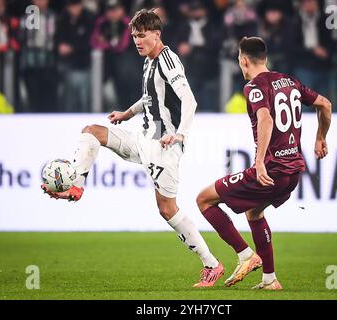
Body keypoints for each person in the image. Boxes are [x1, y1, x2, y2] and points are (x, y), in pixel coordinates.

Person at [42, 8, 224, 287]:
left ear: (156, 34)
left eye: (141, 36)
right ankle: (76, 184)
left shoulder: (168, 60)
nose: (137, 41)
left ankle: (211, 264)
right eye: (134, 36)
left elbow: (190, 100)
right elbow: (150, 96)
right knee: (92, 132)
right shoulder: (149, 61)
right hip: (143, 137)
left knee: (167, 209)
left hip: (164, 144)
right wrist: (127, 113)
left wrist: (180, 135)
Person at [196, 37, 332, 290]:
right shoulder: (290, 82)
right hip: (293, 173)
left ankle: (246, 255)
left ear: (243, 60)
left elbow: (266, 119)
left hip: (272, 170)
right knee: (254, 212)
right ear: (265, 58)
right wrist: (321, 138)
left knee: (204, 199)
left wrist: (259, 163)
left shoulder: (254, 87)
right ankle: (270, 280)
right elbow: (325, 104)